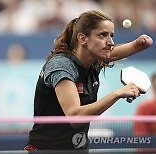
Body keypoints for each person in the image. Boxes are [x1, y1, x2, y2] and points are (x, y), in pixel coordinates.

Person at [24, 10, 153, 151]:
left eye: (112, 35)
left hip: (78, 149)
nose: (110, 42)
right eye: (103, 35)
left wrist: (140, 44)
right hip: (48, 150)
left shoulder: (93, 60)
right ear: (82, 39)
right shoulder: (62, 66)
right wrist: (117, 94)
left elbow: (115, 51)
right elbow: (74, 117)